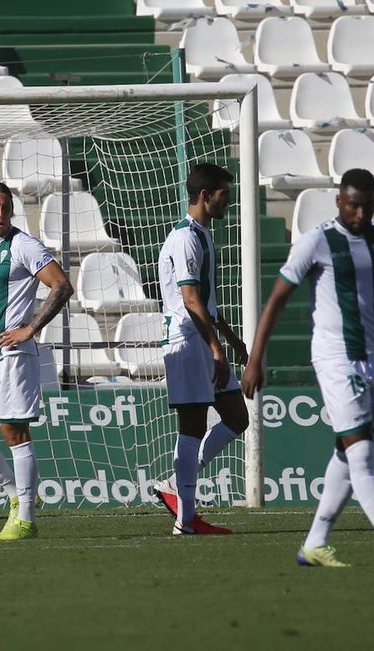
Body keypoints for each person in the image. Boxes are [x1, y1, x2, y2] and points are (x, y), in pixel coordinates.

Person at [241, 168, 374, 567]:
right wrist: (255, 359)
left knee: (347, 451)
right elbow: (275, 300)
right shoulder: (317, 242)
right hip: (334, 356)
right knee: (361, 452)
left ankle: (315, 543)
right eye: (353, 205)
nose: (360, 213)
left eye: (367, 205)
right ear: (339, 202)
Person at [0, 181, 74, 541]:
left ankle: (26, 519)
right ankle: (13, 494)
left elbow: (62, 285)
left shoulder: (24, 245)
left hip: (12, 357)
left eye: (5, 207)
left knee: (14, 434)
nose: (0, 213)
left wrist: (30, 328)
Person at [153, 162, 250, 535]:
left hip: (204, 338)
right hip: (188, 342)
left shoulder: (203, 234)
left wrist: (230, 338)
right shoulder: (185, 238)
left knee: (236, 417)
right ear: (206, 196)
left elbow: (206, 303)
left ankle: (179, 489)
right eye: (224, 195)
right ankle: (186, 518)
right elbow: (190, 300)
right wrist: (216, 349)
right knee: (191, 427)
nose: (229, 201)